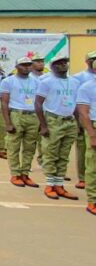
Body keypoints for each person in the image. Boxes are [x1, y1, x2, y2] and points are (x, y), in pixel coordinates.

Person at [35, 55, 81, 200]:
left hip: (69, 120)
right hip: (53, 120)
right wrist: (43, 125)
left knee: (63, 155)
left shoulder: (74, 82)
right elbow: (37, 104)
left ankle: (59, 185)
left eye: (65, 63)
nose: (63, 66)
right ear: (53, 66)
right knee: (51, 154)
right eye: (59, 64)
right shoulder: (46, 82)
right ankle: (50, 185)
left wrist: (78, 124)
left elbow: (76, 104)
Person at [1, 57, 39, 185]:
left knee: (30, 147)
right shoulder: (8, 81)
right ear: (17, 67)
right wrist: (8, 122)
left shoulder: (36, 81)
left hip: (33, 115)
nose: (27, 67)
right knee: (14, 146)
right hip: (16, 114)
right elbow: (4, 102)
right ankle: (15, 173)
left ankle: (25, 173)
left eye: (29, 65)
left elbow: (39, 102)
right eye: (23, 65)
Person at [72, 51, 96, 190]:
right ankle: (82, 178)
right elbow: (76, 101)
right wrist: (78, 121)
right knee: (84, 150)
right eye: (93, 59)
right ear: (87, 61)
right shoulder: (79, 78)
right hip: (85, 118)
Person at [75, 76, 96, 215]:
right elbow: (83, 112)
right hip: (94, 126)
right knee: (93, 165)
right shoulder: (87, 87)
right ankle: (93, 200)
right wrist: (92, 135)